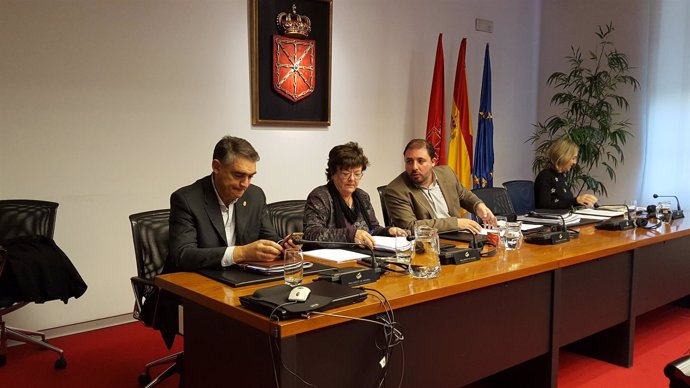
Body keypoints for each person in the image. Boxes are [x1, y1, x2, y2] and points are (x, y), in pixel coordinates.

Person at [164, 135, 296, 273]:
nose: (245, 184)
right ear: (216, 167)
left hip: (238, 278)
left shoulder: (255, 195)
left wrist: (283, 246)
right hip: (194, 282)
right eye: (238, 175)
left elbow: (269, 237)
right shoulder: (187, 199)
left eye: (251, 176)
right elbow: (183, 256)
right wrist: (240, 253)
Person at [303, 142, 406, 249]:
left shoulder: (362, 196)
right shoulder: (320, 197)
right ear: (333, 173)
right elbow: (311, 234)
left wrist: (388, 231)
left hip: (361, 257)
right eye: (346, 173)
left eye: (357, 174)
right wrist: (351, 235)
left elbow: (372, 230)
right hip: (330, 260)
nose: (352, 179)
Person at [384, 139, 496, 234]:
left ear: (433, 161)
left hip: (458, 238)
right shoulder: (396, 190)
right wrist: (456, 223)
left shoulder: (446, 173)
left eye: (420, 161)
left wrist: (478, 206)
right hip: (427, 245)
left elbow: (463, 195)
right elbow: (410, 227)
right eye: (409, 161)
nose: (414, 167)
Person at [534, 137, 598, 209]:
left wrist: (582, 201)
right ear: (563, 157)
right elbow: (544, 206)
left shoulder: (561, 176)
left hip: (564, 218)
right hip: (551, 219)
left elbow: (565, 203)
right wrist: (575, 201)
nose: (575, 162)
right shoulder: (545, 176)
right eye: (573, 158)